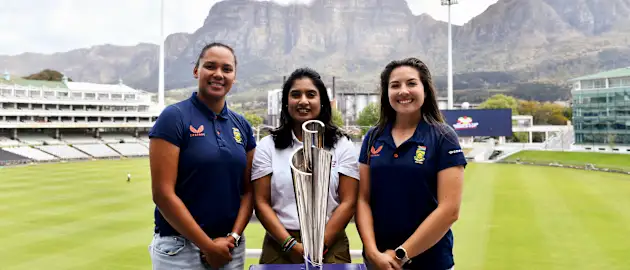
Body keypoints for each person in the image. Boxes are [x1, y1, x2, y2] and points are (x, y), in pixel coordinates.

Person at [148, 42, 256, 270]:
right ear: (196, 71)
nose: (218, 74)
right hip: (179, 250)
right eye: (210, 66)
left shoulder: (242, 125)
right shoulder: (174, 117)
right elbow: (162, 194)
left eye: (226, 69)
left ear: (234, 77)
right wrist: (207, 246)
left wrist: (233, 238)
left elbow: (248, 191)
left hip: (229, 249)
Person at [356, 58, 466, 270]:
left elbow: (450, 209)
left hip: (431, 263)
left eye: (412, 83)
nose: (403, 91)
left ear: (425, 89)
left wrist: (400, 255)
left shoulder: (443, 136)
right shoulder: (373, 137)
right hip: (378, 264)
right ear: (386, 93)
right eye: (395, 85)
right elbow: (363, 199)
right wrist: (372, 252)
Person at [251, 68, 359, 264]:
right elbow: (261, 202)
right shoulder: (268, 145)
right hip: (280, 243)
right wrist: (290, 244)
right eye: (295, 95)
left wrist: (319, 243)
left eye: (311, 94)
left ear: (322, 101)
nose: (303, 101)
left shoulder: (342, 145)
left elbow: (348, 202)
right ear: (286, 102)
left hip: (330, 243)